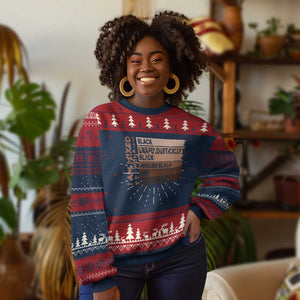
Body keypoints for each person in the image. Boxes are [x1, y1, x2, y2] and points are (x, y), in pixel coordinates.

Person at [71, 11, 240, 300]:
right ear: (122, 67)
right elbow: (85, 201)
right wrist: (98, 278)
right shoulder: (101, 121)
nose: (145, 67)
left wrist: (198, 210)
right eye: (135, 60)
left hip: (180, 259)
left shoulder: (192, 128)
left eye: (156, 58)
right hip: (115, 261)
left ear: (172, 64)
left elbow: (227, 175)